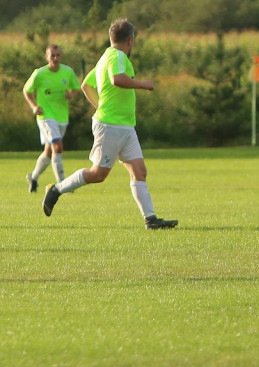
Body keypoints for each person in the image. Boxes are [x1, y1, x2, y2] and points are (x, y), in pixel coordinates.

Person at [42, 19, 178, 230]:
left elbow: (86, 85)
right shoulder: (117, 56)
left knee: (139, 171)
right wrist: (143, 84)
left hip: (124, 126)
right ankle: (56, 190)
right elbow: (117, 79)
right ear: (130, 41)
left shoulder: (106, 56)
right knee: (98, 174)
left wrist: (99, 106)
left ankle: (151, 219)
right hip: (111, 125)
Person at [23, 44, 81, 193]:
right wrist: (34, 106)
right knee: (58, 146)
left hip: (61, 116)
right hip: (45, 116)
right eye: (52, 55)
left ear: (61, 56)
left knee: (49, 151)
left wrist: (71, 95)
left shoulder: (67, 72)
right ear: (47, 57)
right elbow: (27, 90)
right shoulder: (40, 73)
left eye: (58, 55)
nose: (55, 58)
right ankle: (62, 184)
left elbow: (76, 88)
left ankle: (34, 177)